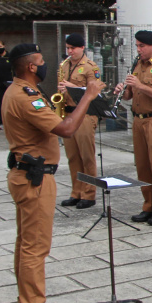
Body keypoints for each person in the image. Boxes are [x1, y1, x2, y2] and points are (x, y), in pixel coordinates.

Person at [3, 43, 102, 303]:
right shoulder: (26, 97)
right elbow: (66, 129)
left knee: (26, 244)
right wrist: (88, 96)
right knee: (35, 247)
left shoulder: (16, 90)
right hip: (34, 178)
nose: (45, 64)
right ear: (31, 67)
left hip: (26, 173)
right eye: (41, 60)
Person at [113, 30, 152, 226]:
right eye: (137, 46)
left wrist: (140, 86)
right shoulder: (137, 65)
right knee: (142, 166)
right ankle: (148, 206)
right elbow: (129, 95)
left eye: (142, 46)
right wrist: (122, 91)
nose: (138, 50)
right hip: (138, 121)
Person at [57, 33, 103, 209]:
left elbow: (96, 92)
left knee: (86, 156)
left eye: (73, 48)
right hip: (69, 113)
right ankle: (76, 192)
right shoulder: (65, 65)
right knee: (73, 156)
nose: (70, 51)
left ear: (82, 48)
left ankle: (89, 194)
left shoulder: (91, 67)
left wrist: (72, 87)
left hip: (85, 114)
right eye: (68, 48)